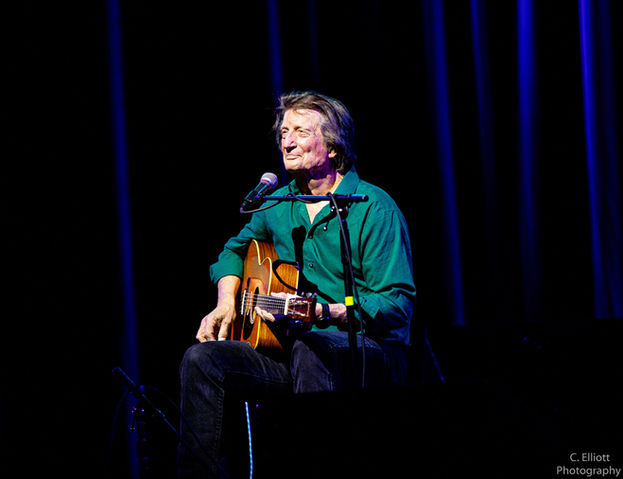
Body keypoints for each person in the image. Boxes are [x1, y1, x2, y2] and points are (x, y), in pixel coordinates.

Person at [178, 91, 416, 478]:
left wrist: (327, 312)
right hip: (298, 355)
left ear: (333, 148)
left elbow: (397, 304)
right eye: (284, 133)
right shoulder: (276, 204)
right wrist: (225, 303)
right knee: (202, 360)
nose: (287, 142)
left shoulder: (373, 207)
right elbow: (233, 251)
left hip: (372, 354)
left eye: (301, 132)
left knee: (312, 346)